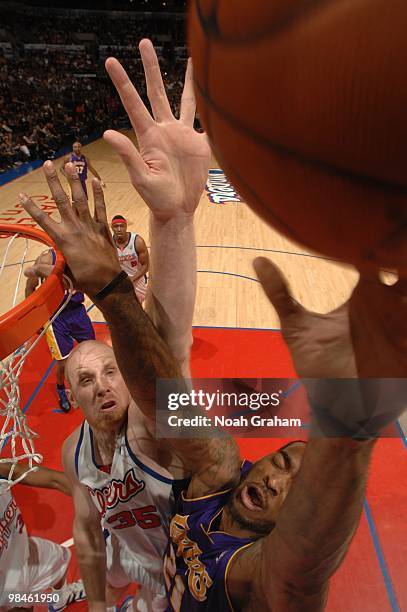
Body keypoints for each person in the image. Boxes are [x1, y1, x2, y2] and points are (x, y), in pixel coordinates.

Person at [20, 40, 406, 612]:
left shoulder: (265, 578)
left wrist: (346, 431)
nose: (278, 479)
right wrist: (173, 219)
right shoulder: (216, 473)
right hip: (143, 584)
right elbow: (163, 390)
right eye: (280, 460)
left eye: (107, 370)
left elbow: (305, 561)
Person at [23, 40, 211, 612]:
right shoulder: (75, 454)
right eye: (87, 380)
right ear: (72, 396)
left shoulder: (154, 424)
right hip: (133, 572)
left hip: (193, 578)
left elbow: (169, 345)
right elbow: (85, 530)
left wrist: (174, 219)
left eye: (111, 370)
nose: (105, 383)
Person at [0, 461, 86, 611]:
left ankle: (58, 600)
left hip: (22, 550)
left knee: (60, 558)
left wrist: (86, 490)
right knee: (25, 605)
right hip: (6, 587)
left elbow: (21, 472)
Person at [25, 250, 96, 413]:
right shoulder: (43, 261)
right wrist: (34, 318)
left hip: (77, 311)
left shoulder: (80, 257)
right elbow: (30, 288)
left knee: (91, 349)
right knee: (63, 362)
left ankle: (91, 379)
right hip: (55, 317)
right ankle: (61, 389)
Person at [111, 215, 149, 304]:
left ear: (126, 227)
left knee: (137, 307)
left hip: (137, 280)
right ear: (112, 228)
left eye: (122, 226)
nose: (119, 229)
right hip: (119, 282)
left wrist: (132, 279)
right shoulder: (109, 243)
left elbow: (146, 265)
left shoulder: (137, 241)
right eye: (116, 227)